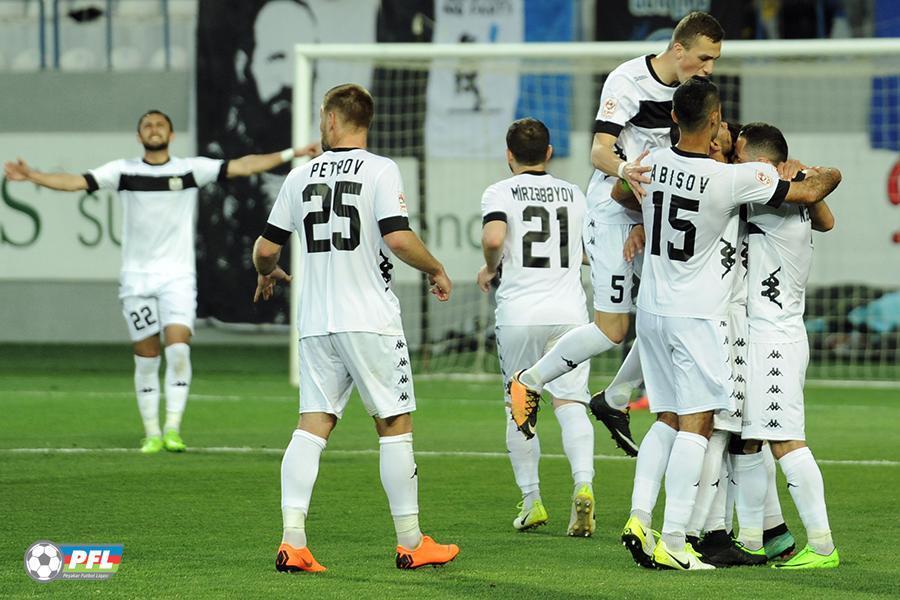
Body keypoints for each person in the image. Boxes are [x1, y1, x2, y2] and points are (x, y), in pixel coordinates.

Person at [614, 77, 841, 570]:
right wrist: (803, 172)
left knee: (719, 430)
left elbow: (621, 189)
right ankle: (693, 536)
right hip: (712, 321)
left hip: (697, 320)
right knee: (716, 430)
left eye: (735, 151)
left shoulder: (654, 161)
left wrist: (638, 202)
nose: (727, 151)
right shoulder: (736, 184)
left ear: (673, 116)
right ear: (714, 119)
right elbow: (819, 199)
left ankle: (682, 527)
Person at [3, 110, 305, 454]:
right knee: (146, 357)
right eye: (147, 125)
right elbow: (75, 182)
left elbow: (244, 165)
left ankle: (173, 428)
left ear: (171, 135)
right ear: (139, 136)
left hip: (177, 278)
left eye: (160, 124)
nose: (154, 129)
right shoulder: (123, 171)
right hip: (137, 281)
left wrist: (291, 153)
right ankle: (151, 432)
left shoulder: (189, 169)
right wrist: (32, 175)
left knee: (178, 349)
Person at [252, 83, 459, 572]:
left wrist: (266, 273)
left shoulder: (299, 176)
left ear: (331, 119)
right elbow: (397, 237)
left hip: (316, 322)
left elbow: (265, 250)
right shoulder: (381, 169)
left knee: (312, 426)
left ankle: (293, 541)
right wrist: (435, 268)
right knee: (394, 425)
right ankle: (411, 541)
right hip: (369, 320)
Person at [508, 11, 725, 446]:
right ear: (678, 49)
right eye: (703, 58)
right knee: (614, 329)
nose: (709, 68)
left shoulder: (691, 95)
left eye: (714, 60)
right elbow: (599, 151)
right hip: (611, 210)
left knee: (668, 315)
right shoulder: (627, 81)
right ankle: (529, 380)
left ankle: (615, 397)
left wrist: (645, 217)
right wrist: (627, 171)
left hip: (648, 213)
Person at [476, 118, 595, 537]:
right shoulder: (574, 193)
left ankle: (532, 502)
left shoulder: (499, 191)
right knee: (571, 402)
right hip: (569, 314)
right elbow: (587, 250)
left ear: (509, 155)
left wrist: (491, 268)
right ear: (548, 153)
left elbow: (494, 239)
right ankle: (583, 485)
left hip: (521, 314)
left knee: (519, 405)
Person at [730, 122, 840, 570]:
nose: (732, 164)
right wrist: (803, 178)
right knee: (749, 440)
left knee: (785, 441)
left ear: (759, 163)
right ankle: (751, 539)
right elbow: (827, 220)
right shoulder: (788, 191)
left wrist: (803, 177)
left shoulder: (768, 196)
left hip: (776, 338)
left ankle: (823, 545)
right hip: (765, 335)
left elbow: (826, 199)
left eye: (738, 157)